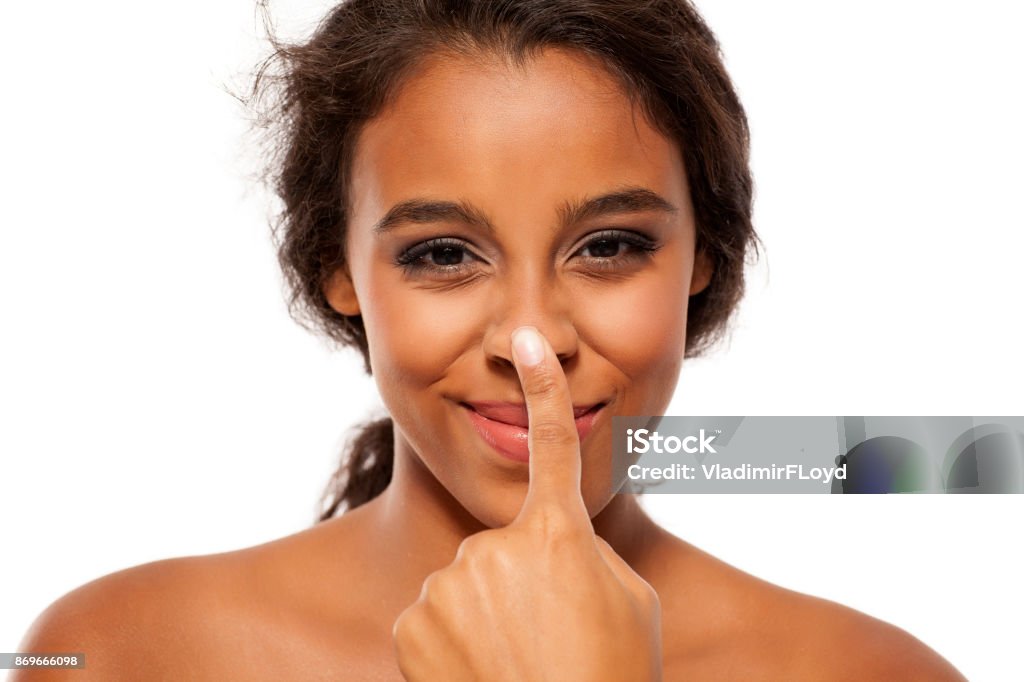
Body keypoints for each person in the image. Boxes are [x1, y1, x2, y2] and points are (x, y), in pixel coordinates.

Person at [16, 0, 966, 679]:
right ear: (335, 268)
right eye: (442, 253)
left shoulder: (873, 672)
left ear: (704, 256)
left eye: (610, 246)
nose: (532, 341)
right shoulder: (115, 653)